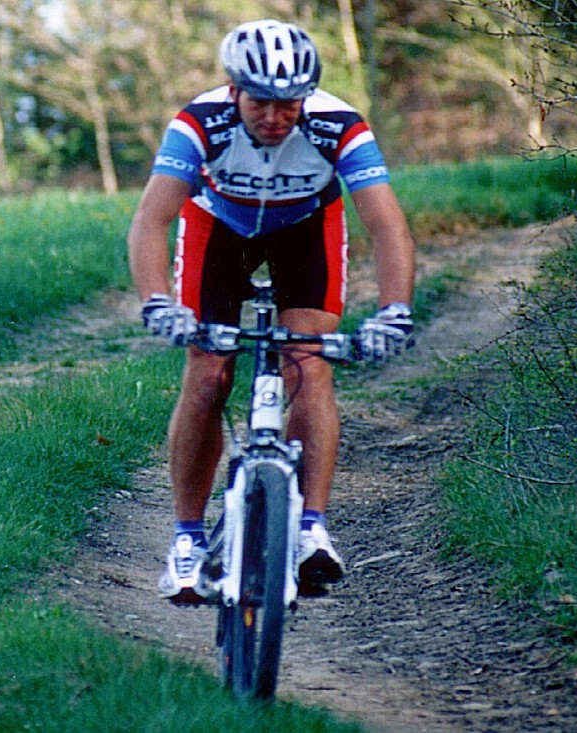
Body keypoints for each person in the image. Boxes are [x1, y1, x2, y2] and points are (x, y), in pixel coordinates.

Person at [127, 20, 416, 604]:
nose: (275, 117)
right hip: (219, 226)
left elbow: (387, 227)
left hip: (304, 229)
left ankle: (310, 527)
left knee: (308, 364)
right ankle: (185, 541)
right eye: (261, 101)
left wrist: (395, 311)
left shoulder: (340, 125)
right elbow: (151, 221)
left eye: (289, 103)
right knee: (208, 371)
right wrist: (158, 302)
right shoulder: (198, 123)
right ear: (233, 89)